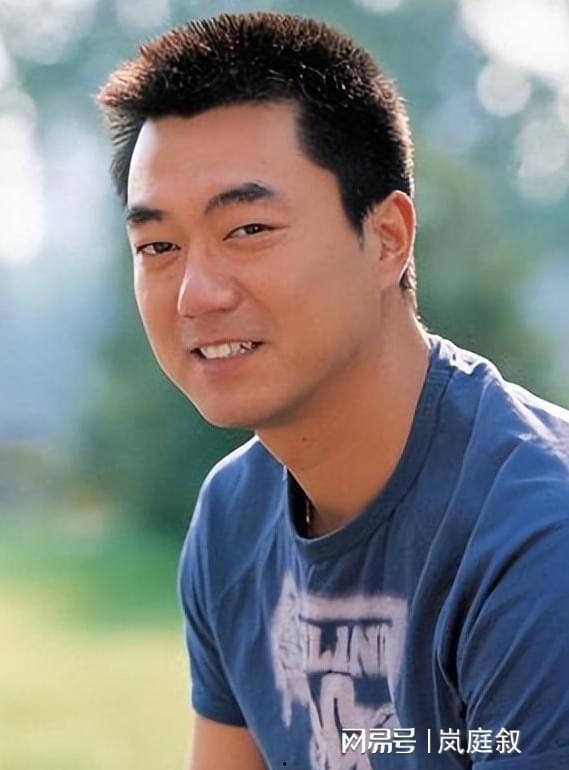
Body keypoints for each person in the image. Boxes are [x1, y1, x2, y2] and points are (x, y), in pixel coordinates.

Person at [97, 11, 569, 770]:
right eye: (157, 245)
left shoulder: (538, 532)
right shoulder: (233, 518)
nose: (195, 293)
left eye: (248, 230)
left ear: (387, 239)